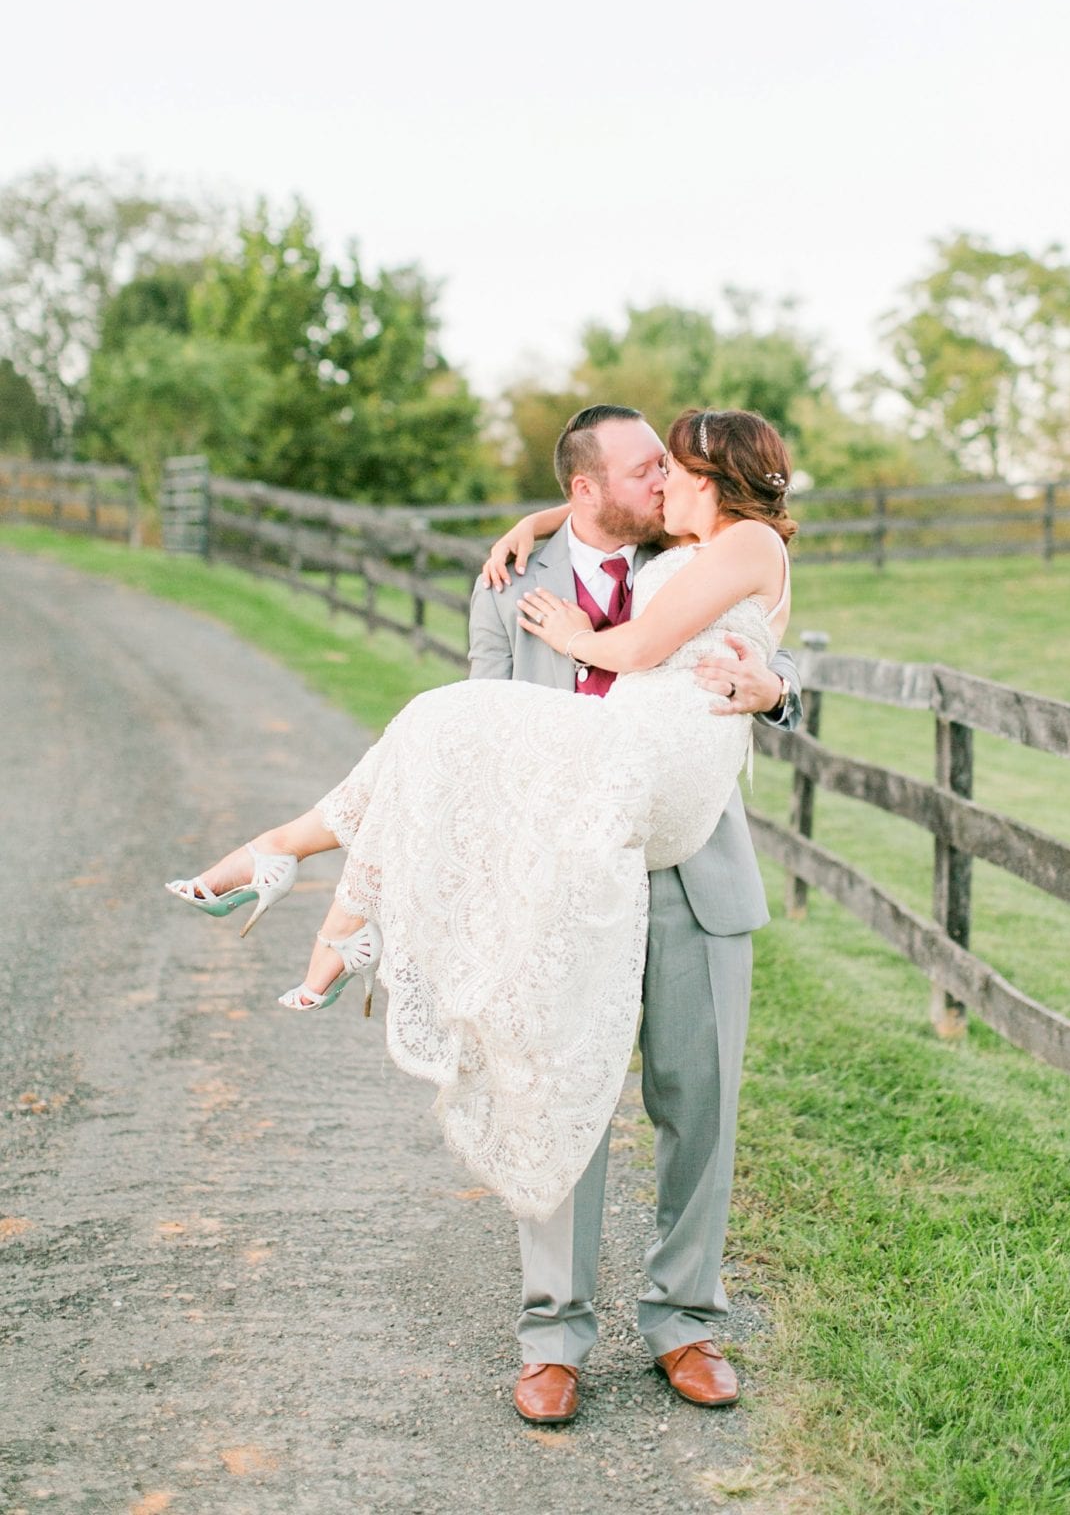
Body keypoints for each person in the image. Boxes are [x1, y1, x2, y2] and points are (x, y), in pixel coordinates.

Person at [166, 405, 802, 1423]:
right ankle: (554, 1337)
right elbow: (489, 735)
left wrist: (777, 693)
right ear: (591, 488)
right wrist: (546, 522)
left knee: (701, 1102)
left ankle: (685, 1323)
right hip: (561, 870)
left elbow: (758, 633)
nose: (656, 484)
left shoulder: (692, 547)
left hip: (691, 864)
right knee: (553, 1080)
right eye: (636, 472)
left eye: (667, 470)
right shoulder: (514, 581)